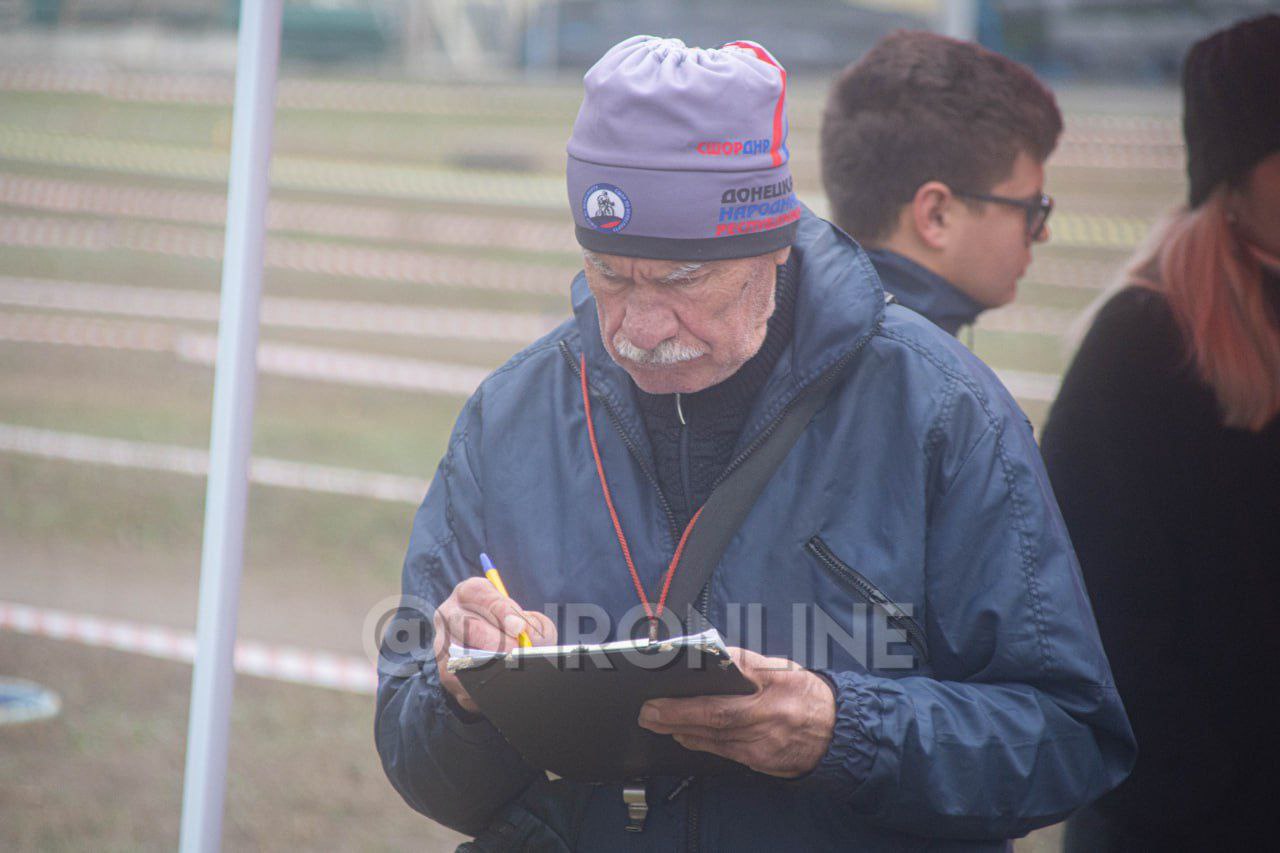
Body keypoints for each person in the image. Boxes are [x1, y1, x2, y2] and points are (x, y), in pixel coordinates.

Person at [376, 35, 1134, 851]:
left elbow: (1068, 739)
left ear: (774, 245)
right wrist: (458, 694)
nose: (637, 327)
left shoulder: (943, 412)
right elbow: (419, 763)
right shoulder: (508, 417)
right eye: (608, 273)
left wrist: (842, 730)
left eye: (680, 280)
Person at [1040, 15, 1280, 852]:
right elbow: (1090, 603)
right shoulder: (1145, 342)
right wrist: (1190, 786)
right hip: (1185, 821)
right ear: (1237, 172)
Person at [820, 31, 1060, 337]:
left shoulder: (790, 333)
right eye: (1030, 209)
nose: (1042, 233)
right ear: (937, 215)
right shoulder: (935, 380)